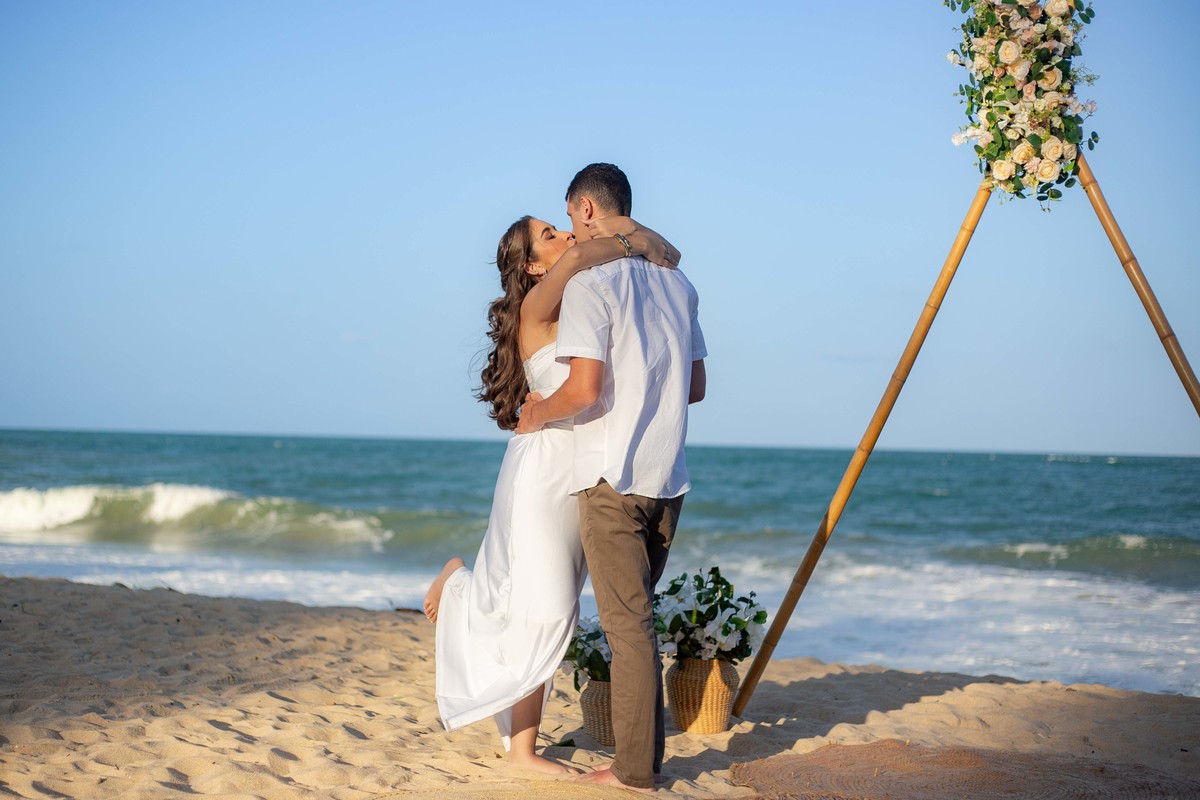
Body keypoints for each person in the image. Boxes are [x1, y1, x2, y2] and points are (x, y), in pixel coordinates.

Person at [423, 213, 680, 775]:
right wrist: (643, 238)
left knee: (552, 603)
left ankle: (461, 588)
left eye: (560, 228)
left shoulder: (589, 301)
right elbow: (584, 256)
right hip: (541, 472)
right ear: (533, 266)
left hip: (587, 469)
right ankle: (522, 751)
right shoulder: (535, 309)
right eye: (549, 235)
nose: (564, 236)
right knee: (546, 607)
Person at [516, 163, 706, 792]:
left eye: (570, 218)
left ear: (587, 209)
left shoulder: (593, 285)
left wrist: (536, 412)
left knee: (630, 631)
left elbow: (585, 390)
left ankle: (632, 773)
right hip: (667, 478)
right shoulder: (680, 285)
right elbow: (697, 387)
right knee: (638, 624)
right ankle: (639, 762)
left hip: (611, 477)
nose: (573, 232)